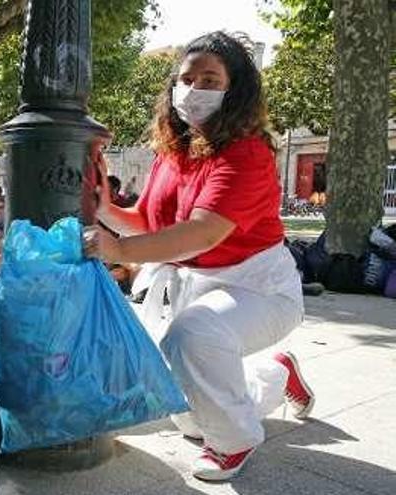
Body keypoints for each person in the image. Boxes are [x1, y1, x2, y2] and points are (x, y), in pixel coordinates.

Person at [83, 32, 314, 482]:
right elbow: (151, 221)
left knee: (194, 338)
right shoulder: (174, 151)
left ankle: (234, 442)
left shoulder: (248, 153)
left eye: (210, 78)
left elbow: (202, 234)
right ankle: (276, 375)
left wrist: (122, 251)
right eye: (187, 78)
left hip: (260, 289)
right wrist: (107, 209)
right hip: (201, 288)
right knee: (188, 416)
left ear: (236, 88)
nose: (195, 89)